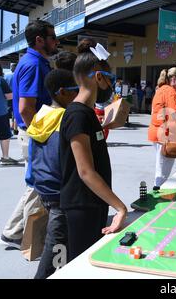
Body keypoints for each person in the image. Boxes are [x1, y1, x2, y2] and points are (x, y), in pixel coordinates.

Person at [59, 39, 127, 262]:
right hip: (82, 206)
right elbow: (85, 172)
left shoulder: (87, 114)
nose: (111, 86)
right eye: (111, 80)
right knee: (82, 265)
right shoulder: (77, 115)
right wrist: (119, 207)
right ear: (98, 77)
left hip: (93, 203)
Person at [0, 20, 59, 249]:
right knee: (38, 184)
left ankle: (15, 232)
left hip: (31, 131)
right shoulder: (33, 64)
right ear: (39, 40)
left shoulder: (34, 61)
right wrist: (43, 135)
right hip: (34, 133)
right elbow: (25, 108)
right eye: (52, 37)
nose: (56, 41)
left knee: (36, 184)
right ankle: (15, 232)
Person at [27, 69, 78, 278]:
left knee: (61, 241)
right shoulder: (65, 118)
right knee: (55, 246)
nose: (78, 95)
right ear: (63, 92)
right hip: (60, 191)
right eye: (76, 90)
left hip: (44, 187)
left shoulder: (42, 114)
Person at [148, 67, 176, 190]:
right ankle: (158, 195)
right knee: (163, 173)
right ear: (174, 79)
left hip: (158, 133)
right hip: (165, 135)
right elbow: (175, 113)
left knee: (161, 168)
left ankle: (158, 191)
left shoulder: (161, 89)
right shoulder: (170, 91)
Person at [0, 62, 17, 165]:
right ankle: (5, 158)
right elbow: (9, 96)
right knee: (4, 136)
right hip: (0, 113)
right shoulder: (0, 80)